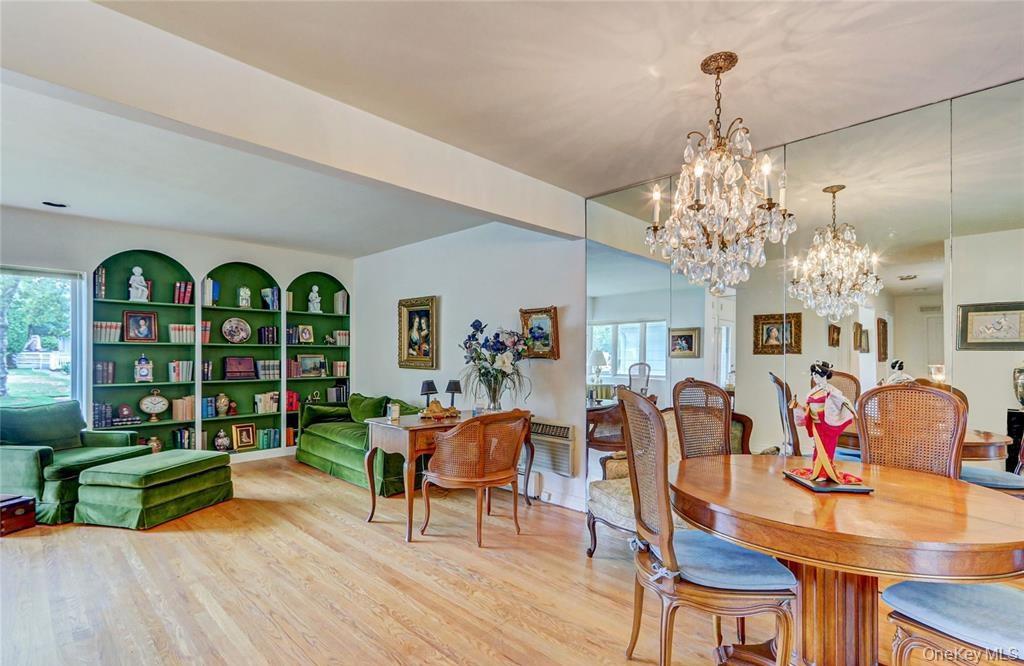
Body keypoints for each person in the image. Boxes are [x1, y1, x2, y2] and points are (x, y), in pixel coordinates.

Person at [791, 361, 860, 484]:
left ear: (823, 375)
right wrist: (798, 406)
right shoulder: (814, 391)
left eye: (816, 375)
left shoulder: (832, 391)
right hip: (816, 424)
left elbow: (844, 402)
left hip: (827, 423)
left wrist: (852, 411)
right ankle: (817, 471)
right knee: (818, 449)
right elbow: (808, 408)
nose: (814, 378)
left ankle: (825, 473)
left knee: (827, 448)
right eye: (813, 375)